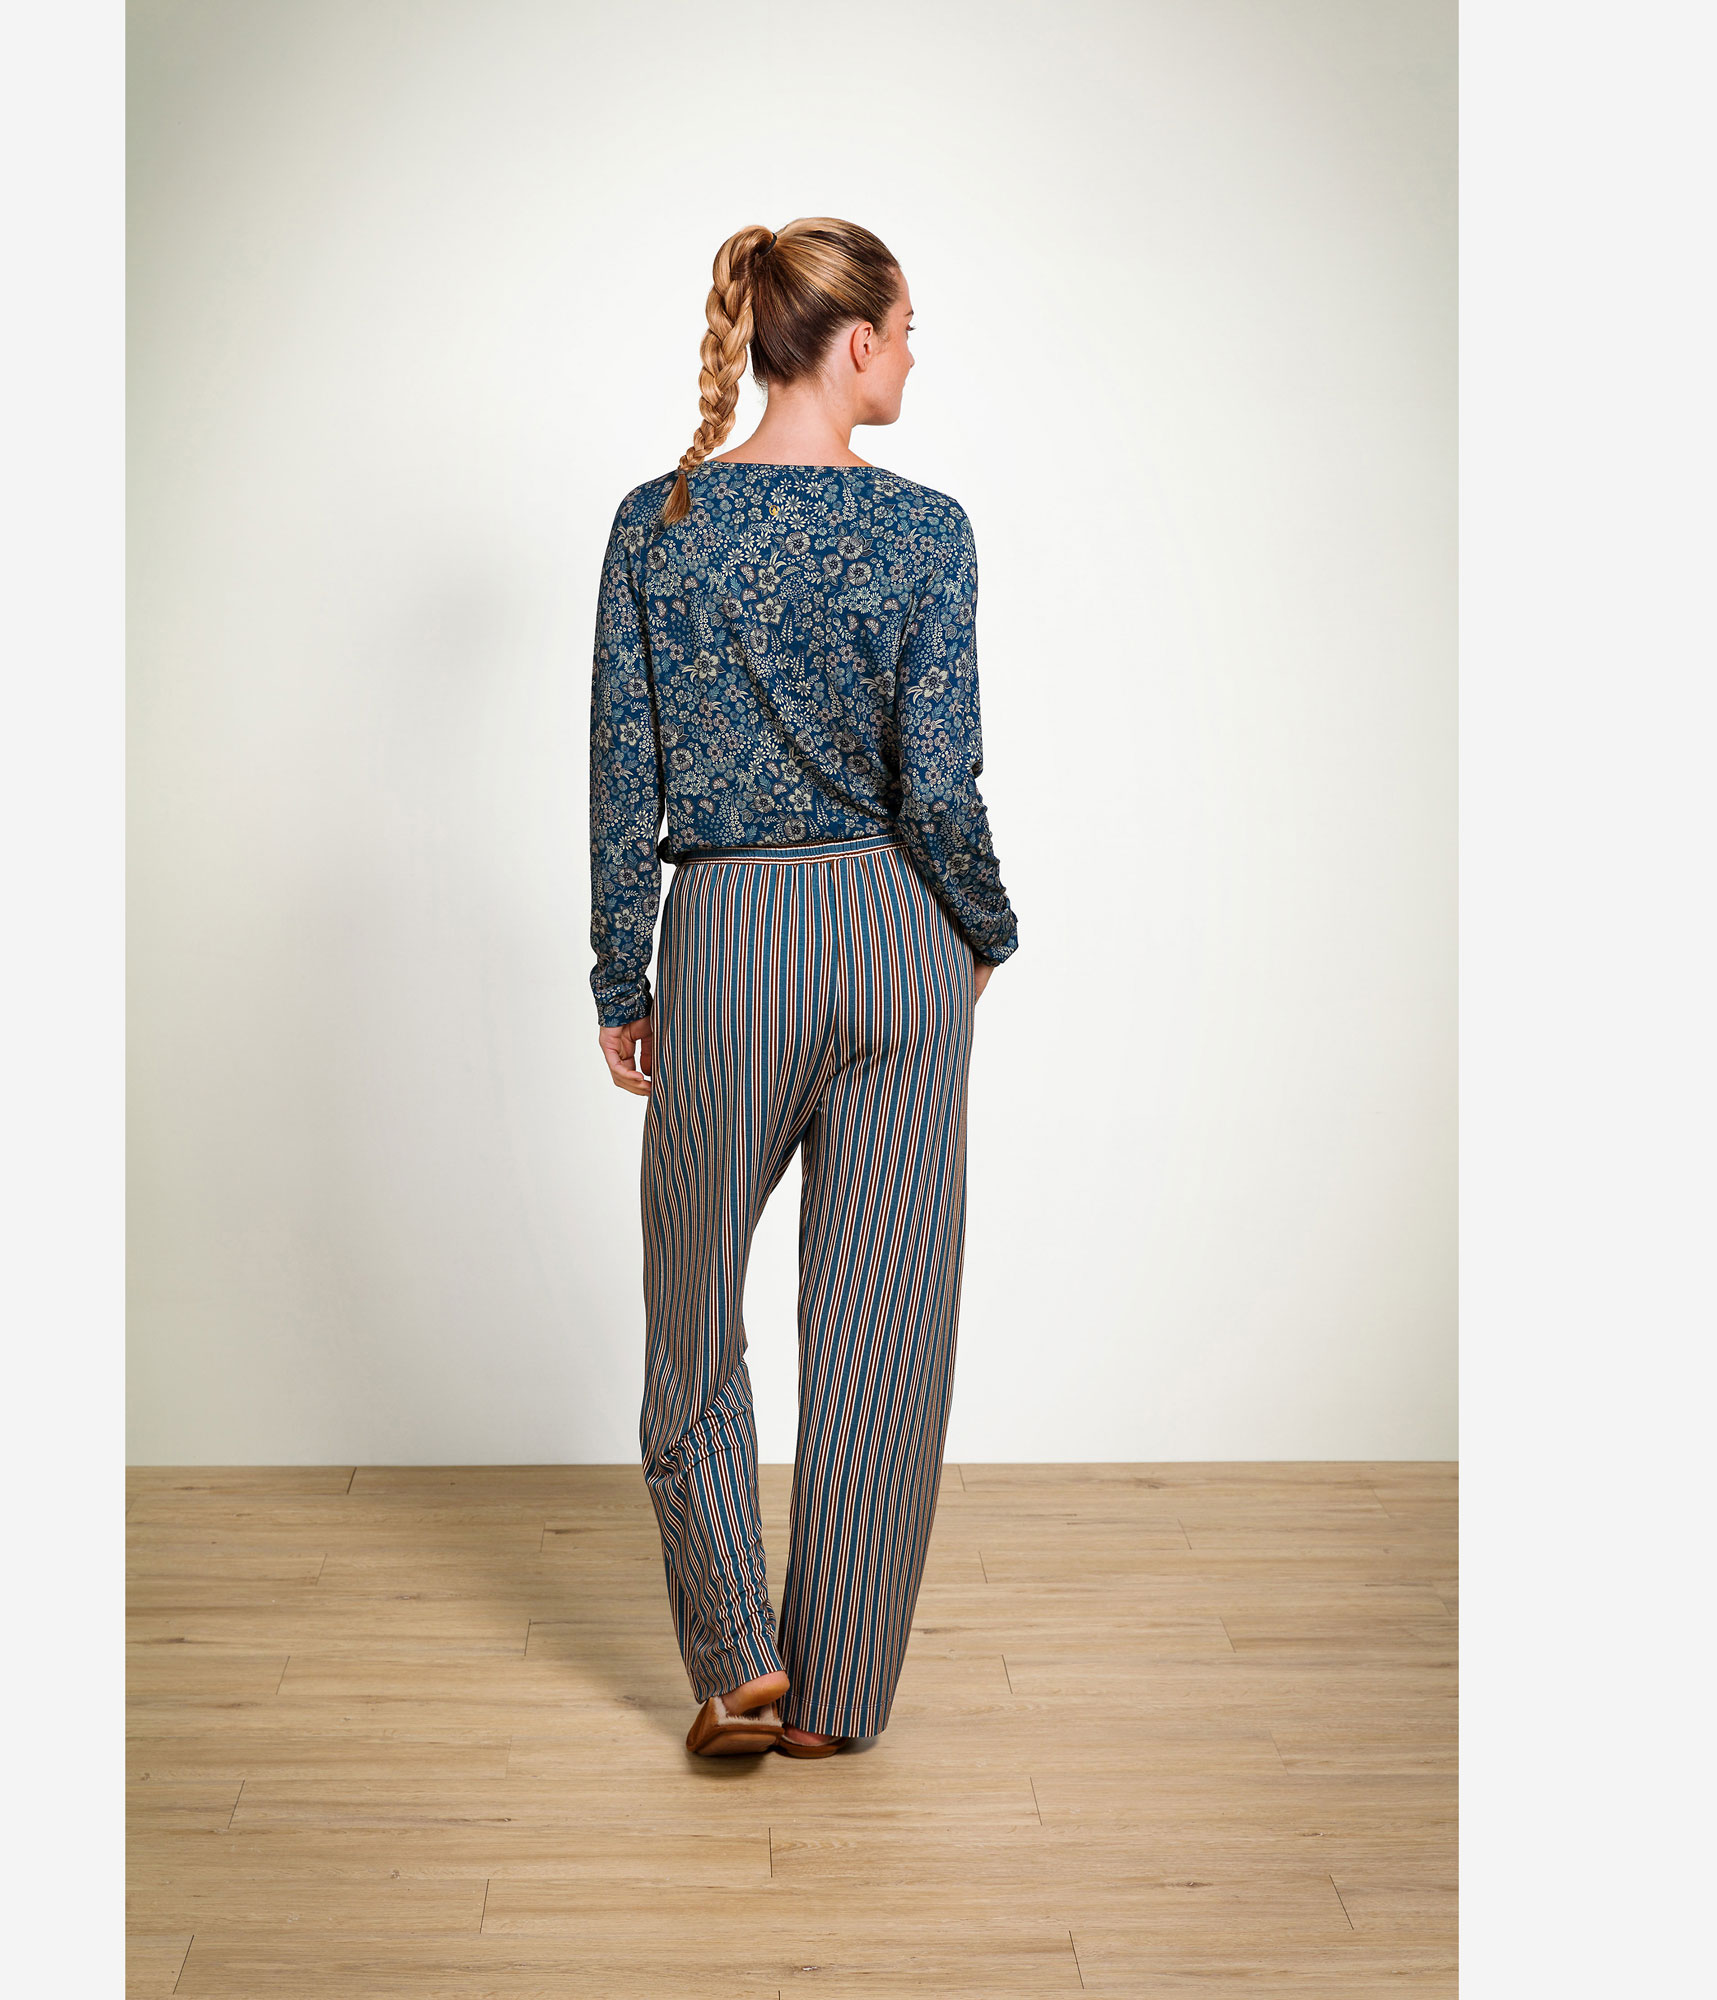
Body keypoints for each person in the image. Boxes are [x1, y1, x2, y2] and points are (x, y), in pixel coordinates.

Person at [587, 218, 1019, 1758]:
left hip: (734, 937)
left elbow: (623, 770)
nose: (913, 359)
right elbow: (941, 783)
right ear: (856, 342)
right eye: (908, 332)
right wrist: (980, 933)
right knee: (883, 1328)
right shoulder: (927, 531)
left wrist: (621, 968)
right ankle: (837, 1700)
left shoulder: (660, 523)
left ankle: (737, 1662)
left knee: (693, 1301)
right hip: (900, 932)